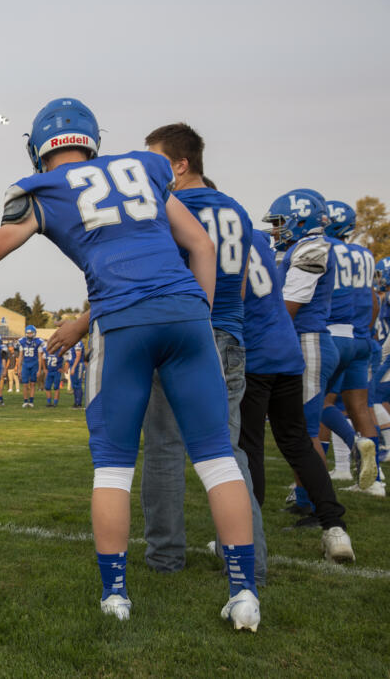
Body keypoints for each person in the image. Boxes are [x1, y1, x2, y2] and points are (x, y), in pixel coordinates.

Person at [0, 97, 258, 629]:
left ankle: (116, 596)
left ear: (37, 149)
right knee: (216, 460)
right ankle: (244, 593)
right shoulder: (147, 168)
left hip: (120, 321)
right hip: (186, 314)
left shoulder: (40, 191)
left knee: (113, 467)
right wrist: (198, 315)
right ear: (92, 140)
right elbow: (201, 245)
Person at [136, 123, 266, 581]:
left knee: (165, 450)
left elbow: (152, 276)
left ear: (179, 164)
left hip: (184, 335)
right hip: (230, 336)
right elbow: (245, 286)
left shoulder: (168, 207)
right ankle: (254, 564)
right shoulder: (236, 209)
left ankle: (165, 557)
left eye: (153, 160)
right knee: (229, 455)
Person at [237, 224, 354, 560]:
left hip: (257, 352)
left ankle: (247, 535)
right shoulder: (258, 238)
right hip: (288, 350)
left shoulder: (218, 240)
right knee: (298, 440)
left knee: (250, 446)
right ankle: (335, 527)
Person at [316, 200, 383, 493]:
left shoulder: (323, 248)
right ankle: (376, 481)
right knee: (362, 409)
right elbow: (374, 299)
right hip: (360, 338)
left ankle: (353, 447)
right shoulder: (365, 254)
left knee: (318, 404)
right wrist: (366, 331)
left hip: (333, 334)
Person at [17, 325, 43, 408]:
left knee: (32, 384)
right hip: (25, 364)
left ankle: (31, 401)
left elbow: (40, 357)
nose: (29, 335)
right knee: (25, 384)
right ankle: (25, 401)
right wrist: (19, 368)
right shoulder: (22, 341)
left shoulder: (38, 342)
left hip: (34, 364)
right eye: (28, 333)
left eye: (31, 333)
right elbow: (20, 356)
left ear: (34, 333)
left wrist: (39, 369)